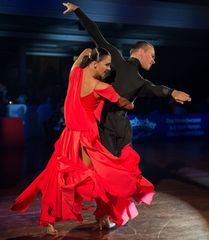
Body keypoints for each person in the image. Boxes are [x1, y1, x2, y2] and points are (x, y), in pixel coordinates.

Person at [11, 48, 154, 235]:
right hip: (87, 139)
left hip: (68, 138)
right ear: (95, 64)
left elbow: (80, 59)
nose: (109, 69)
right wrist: (132, 102)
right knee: (101, 176)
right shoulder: (100, 87)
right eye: (107, 64)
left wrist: (89, 51)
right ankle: (103, 217)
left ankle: (54, 221)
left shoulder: (75, 73)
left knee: (58, 177)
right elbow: (123, 103)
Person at [63, 2, 192, 156]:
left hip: (122, 129)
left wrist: (172, 92)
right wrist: (78, 11)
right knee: (109, 169)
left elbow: (156, 89)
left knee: (126, 169)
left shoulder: (141, 82)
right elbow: (96, 33)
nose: (153, 61)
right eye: (152, 56)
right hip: (104, 128)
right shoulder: (116, 59)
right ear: (140, 52)